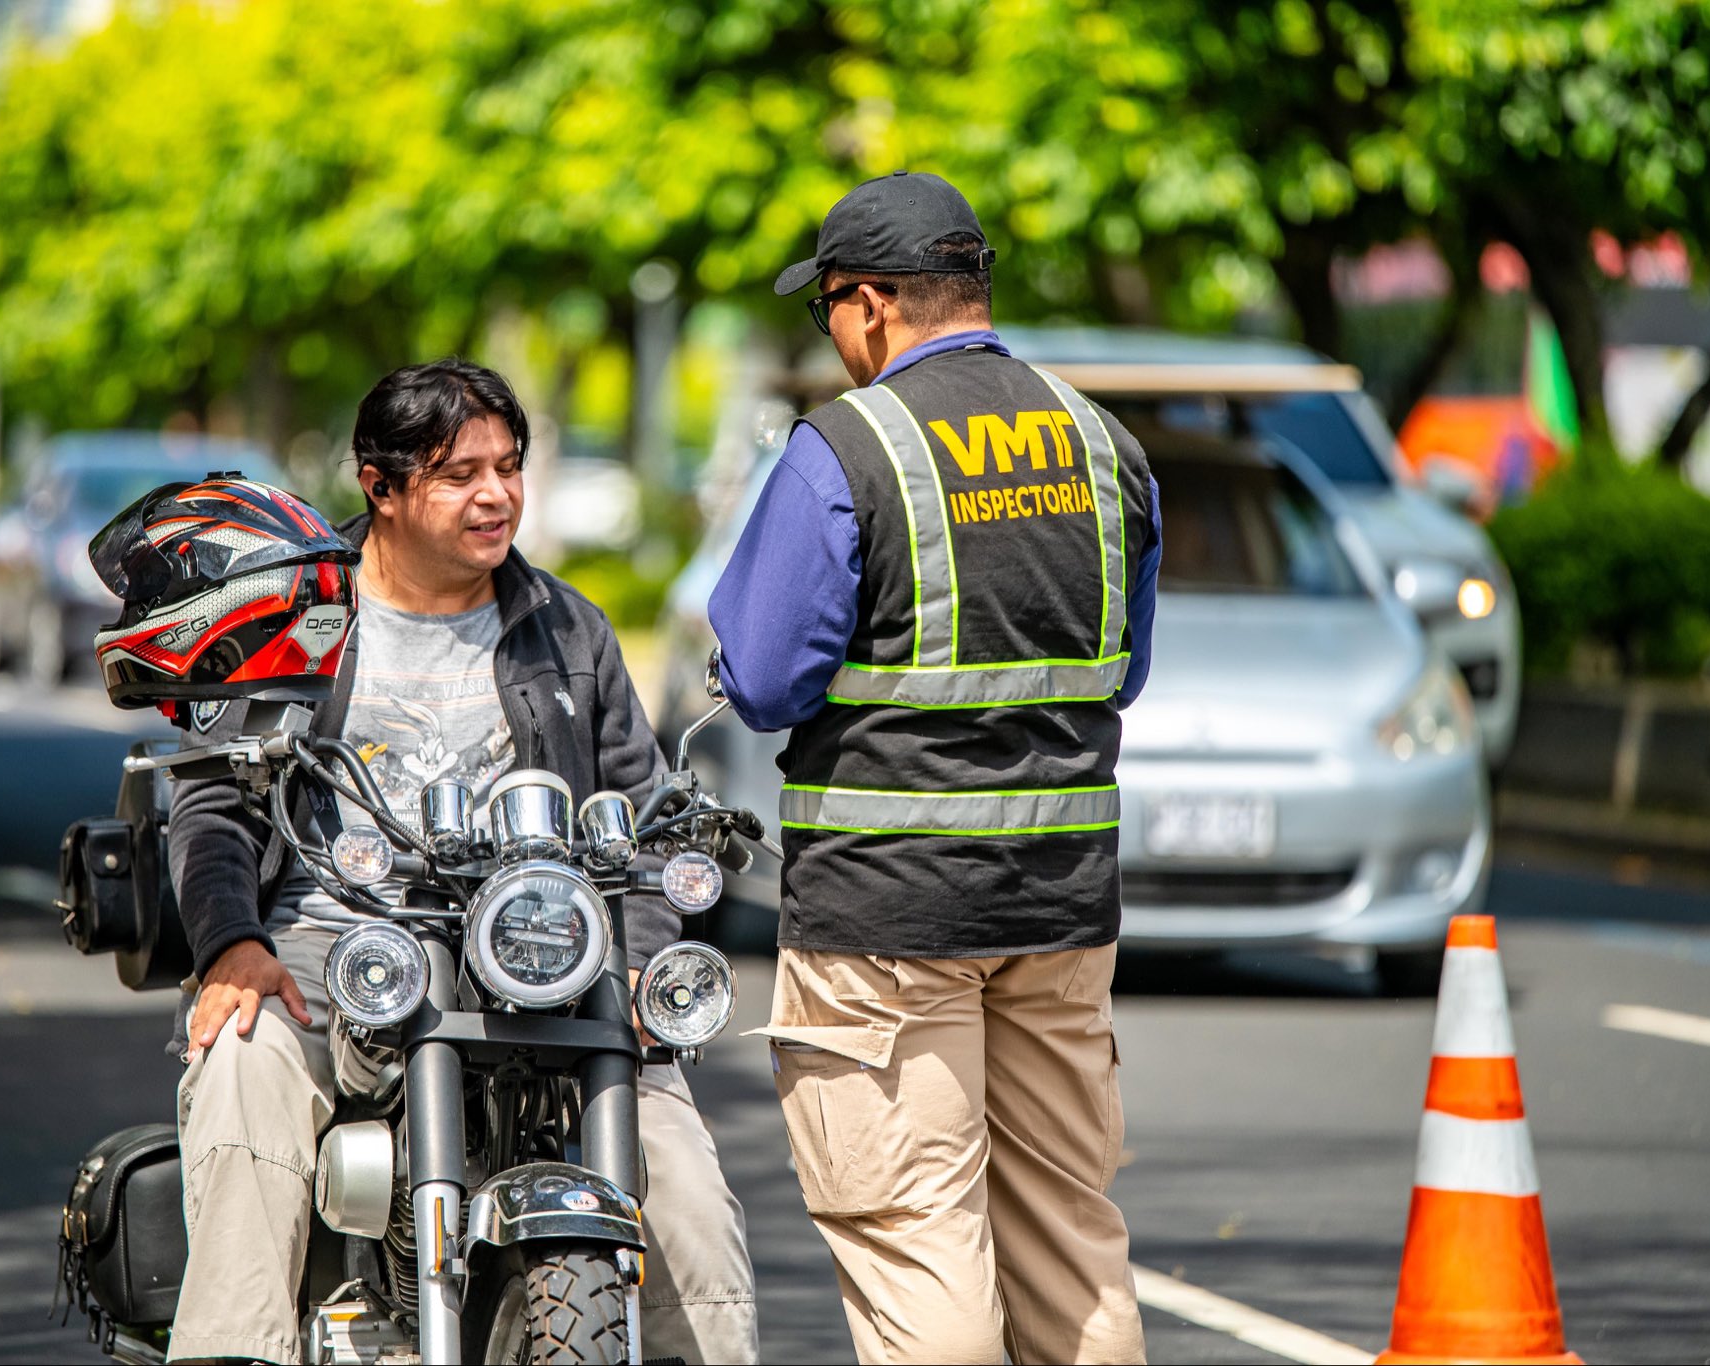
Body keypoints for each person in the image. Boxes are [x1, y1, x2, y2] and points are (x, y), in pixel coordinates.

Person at [164, 358, 758, 1364]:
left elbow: (646, 818)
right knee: (241, 1071)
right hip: (325, 953)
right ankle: (234, 1349)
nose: (495, 494)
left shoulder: (567, 627)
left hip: (536, 961)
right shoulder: (293, 622)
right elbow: (213, 793)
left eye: (509, 465)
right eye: (457, 473)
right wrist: (232, 942)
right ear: (379, 487)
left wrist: (638, 963)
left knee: (681, 1170)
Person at [709, 171, 1162, 1365]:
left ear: (866, 306)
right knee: (1070, 1235)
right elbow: (1120, 671)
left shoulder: (847, 449)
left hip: (885, 912)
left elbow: (760, 678)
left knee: (918, 1232)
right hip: (1060, 906)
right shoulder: (1101, 442)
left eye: (827, 312)